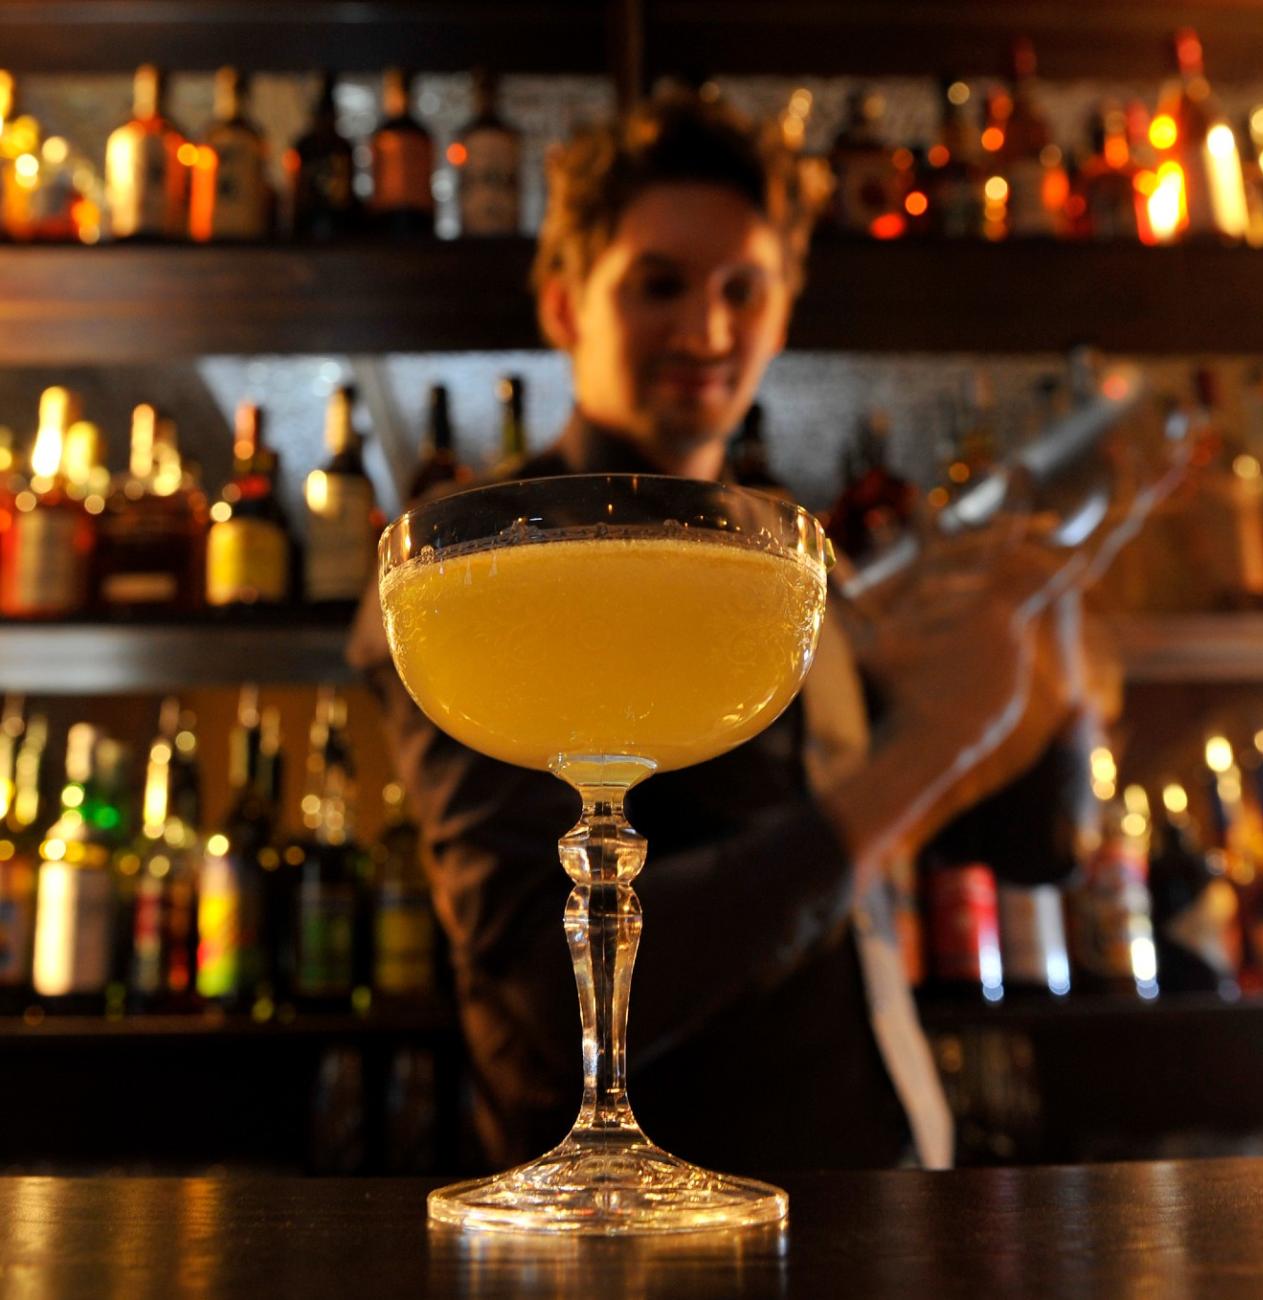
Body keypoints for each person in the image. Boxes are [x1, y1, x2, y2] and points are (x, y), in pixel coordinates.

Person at [349, 91, 1077, 1174]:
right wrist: (926, 753)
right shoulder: (478, 573)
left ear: (784, 313)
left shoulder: (782, 565)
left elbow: (1034, 849)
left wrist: (1043, 630)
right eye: (659, 285)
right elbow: (540, 1003)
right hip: (622, 1233)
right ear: (562, 308)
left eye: (747, 290)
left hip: (862, 1188)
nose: (708, 331)